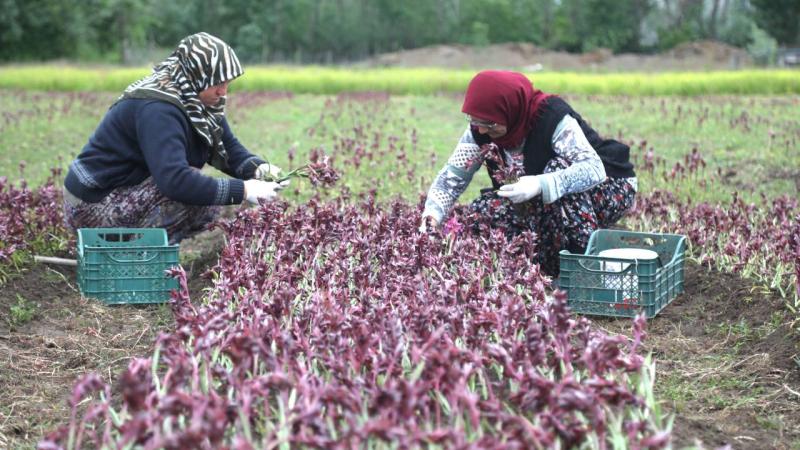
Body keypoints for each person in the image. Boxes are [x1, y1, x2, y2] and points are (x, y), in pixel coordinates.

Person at [63, 32, 285, 244]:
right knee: (193, 196)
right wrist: (245, 190)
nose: (223, 91)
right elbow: (175, 181)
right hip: (92, 202)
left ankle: (150, 247)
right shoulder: (159, 108)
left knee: (209, 195)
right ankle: (140, 256)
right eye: (217, 83)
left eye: (227, 83)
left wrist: (260, 169)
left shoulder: (194, 98)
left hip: (124, 187)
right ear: (196, 75)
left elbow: (229, 148)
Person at [420, 70, 637, 276]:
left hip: (610, 186)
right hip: (548, 201)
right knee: (481, 211)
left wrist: (539, 184)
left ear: (510, 109)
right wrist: (431, 217)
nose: (482, 130)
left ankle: (582, 267)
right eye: (475, 121)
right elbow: (452, 178)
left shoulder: (551, 118)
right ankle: (541, 264)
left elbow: (592, 169)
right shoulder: (481, 128)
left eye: (489, 123)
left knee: (558, 168)